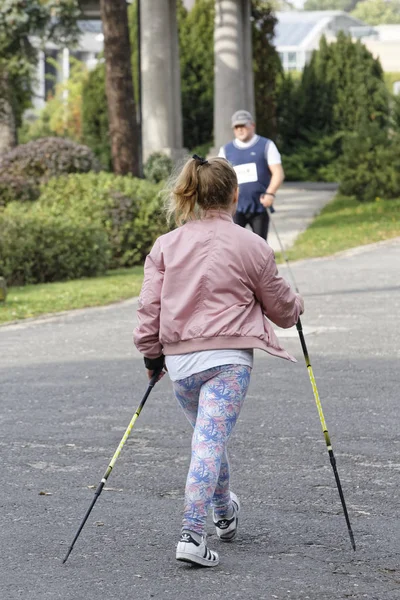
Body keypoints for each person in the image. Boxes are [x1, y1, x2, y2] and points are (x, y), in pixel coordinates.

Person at [133, 154, 304, 568]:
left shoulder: (166, 245)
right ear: (234, 195)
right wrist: (297, 306)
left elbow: (148, 310)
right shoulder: (252, 244)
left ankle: (224, 512)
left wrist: (152, 356)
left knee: (208, 438)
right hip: (228, 361)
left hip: (182, 366)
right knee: (209, 440)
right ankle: (192, 532)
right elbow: (282, 309)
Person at [219, 109, 284, 240]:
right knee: (235, 247)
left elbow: (278, 173)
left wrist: (270, 193)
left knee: (259, 246)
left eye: (243, 125)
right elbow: (220, 177)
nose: (240, 129)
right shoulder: (226, 150)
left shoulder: (266, 145)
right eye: (236, 127)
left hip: (260, 206)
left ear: (252, 125)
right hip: (235, 208)